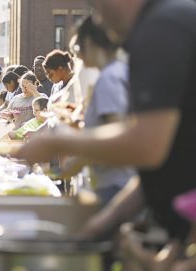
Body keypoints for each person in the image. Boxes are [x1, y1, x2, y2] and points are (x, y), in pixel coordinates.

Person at [16, 0, 196, 261]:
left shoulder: (161, 27)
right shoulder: (167, 22)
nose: (98, 19)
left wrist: (63, 144)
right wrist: (107, 220)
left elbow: (147, 147)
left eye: (97, 7)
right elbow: (166, 157)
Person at [61, 16, 136, 206]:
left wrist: (76, 161)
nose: (76, 55)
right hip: (114, 181)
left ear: (88, 42)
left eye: (77, 48)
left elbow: (118, 136)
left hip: (113, 185)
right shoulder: (117, 72)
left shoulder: (109, 78)